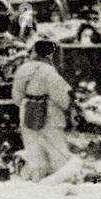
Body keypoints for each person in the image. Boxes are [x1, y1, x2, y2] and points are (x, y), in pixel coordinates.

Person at [11, 39, 74, 180]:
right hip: (50, 118)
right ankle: (62, 185)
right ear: (50, 54)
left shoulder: (23, 69)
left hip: (27, 115)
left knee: (35, 157)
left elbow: (16, 98)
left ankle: (36, 185)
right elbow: (62, 99)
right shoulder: (50, 72)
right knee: (59, 156)